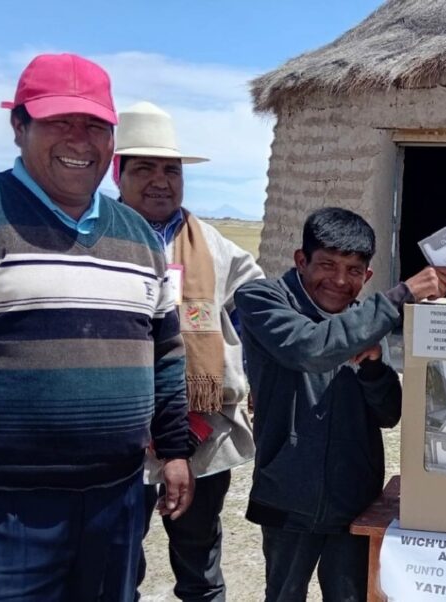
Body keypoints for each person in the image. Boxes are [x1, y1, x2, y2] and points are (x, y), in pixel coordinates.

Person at [0, 53, 192, 599]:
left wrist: (174, 451)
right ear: (18, 126)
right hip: (5, 506)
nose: (79, 141)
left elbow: (166, 351)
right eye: (60, 122)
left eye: (95, 126)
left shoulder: (139, 236)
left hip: (117, 499)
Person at [235, 208, 446, 601]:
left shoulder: (365, 318)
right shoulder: (261, 299)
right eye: (327, 265)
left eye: (354, 271)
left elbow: (389, 414)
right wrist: (402, 295)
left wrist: (374, 366)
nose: (340, 281)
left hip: (353, 500)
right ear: (300, 260)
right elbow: (309, 348)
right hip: (287, 493)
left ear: (367, 276)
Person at [114, 101, 263, 601]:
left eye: (170, 170)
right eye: (144, 168)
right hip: (121, 436)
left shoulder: (217, 248)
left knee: (199, 560)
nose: (160, 180)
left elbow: (260, 309)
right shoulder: (94, 240)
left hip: (201, 431)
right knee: (117, 561)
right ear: (118, 172)